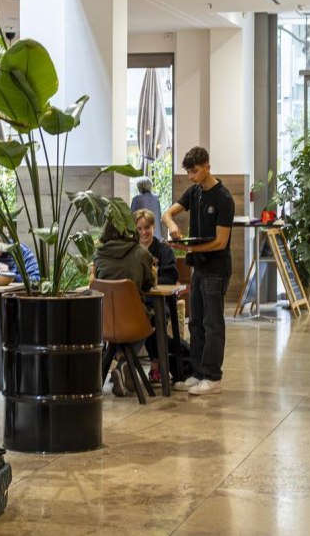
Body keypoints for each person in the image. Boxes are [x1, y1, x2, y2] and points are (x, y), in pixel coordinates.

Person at [162, 146, 235, 396]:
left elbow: (220, 242)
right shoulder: (194, 192)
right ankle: (197, 372)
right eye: (189, 173)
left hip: (216, 268)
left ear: (207, 166)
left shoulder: (223, 198)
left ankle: (213, 376)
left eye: (195, 172)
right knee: (195, 322)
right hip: (199, 267)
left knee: (212, 322)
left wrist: (188, 246)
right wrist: (172, 226)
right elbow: (167, 212)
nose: (191, 177)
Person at [93, 216, 156, 398]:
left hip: (105, 323)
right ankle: (123, 366)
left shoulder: (98, 255)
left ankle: (120, 361)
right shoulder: (141, 254)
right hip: (134, 323)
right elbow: (148, 285)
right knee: (149, 319)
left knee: (118, 323)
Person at [135, 208, 181, 383]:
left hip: (160, 301)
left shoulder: (164, 250)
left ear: (153, 227)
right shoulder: (131, 251)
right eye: (139, 229)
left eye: (146, 227)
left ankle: (153, 365)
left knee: (154, 317)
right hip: (135, 302)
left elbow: (170, 277)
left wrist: (146, 281)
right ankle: (127, 364)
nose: (143, 232)